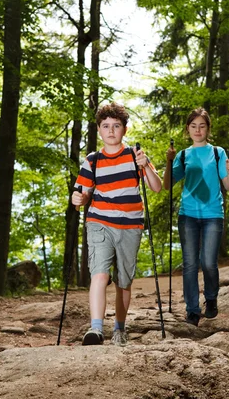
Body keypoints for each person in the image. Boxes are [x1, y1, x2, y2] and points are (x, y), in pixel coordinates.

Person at [72, 102, 162, 346]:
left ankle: (120, 329)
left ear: (124, 129)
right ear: (99, 130)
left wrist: (146, 167)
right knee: (99, 274)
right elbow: (83, 195)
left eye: (116, 126)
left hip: (130, 224)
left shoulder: (136, 156)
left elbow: (156, 187)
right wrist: (77, 198)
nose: (111, 130)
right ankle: (96, 329)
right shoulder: (93, 160)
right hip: (100, 222)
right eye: (105, 126)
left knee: (123, 280)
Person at [163, 107, 229, 327]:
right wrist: (168, 162)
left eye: (202, 126)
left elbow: (228, 187)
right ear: (188, 129)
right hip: (188, 215)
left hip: (214, 213)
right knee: (190, 264)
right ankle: (192, 310)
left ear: (208, 128)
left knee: (208, 262)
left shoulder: (218, 153)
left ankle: (211, 299)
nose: (198, 130)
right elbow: (167, 185)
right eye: (193, 126)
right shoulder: (183, 155)